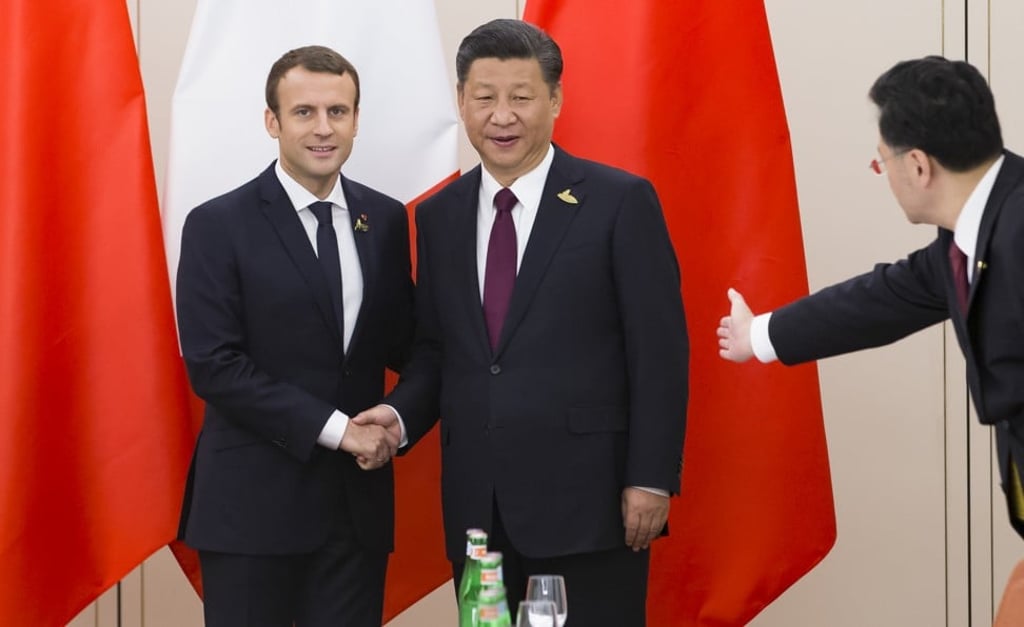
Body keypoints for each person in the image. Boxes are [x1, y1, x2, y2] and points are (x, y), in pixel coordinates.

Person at [353, 18, 688, 625]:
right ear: (461, 103)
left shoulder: (618, 202)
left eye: (521, 97)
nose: (501, 115)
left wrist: (651, 479)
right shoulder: (440, 216)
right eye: (484, 98)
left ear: (555, 101)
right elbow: (439, 350)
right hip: (480, 512)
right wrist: (400, 415)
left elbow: (659, 353)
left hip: (591, 505)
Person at [717, 55, 1024, 540]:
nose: (883, 173)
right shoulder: (972, 229)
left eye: (882, 161)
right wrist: (758, 335)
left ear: (919, 165)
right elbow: (883, 299)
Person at [175, 45, 414, 626]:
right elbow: (215, 365)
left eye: (338, 111)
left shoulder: (382, 220)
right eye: (304, 112)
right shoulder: (216, 224)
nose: (323, 128)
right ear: (272, 122)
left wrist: (397, 419)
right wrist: (341, 433)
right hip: (251, 513)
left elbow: (414, 345)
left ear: (357, 120)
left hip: (354, 519)